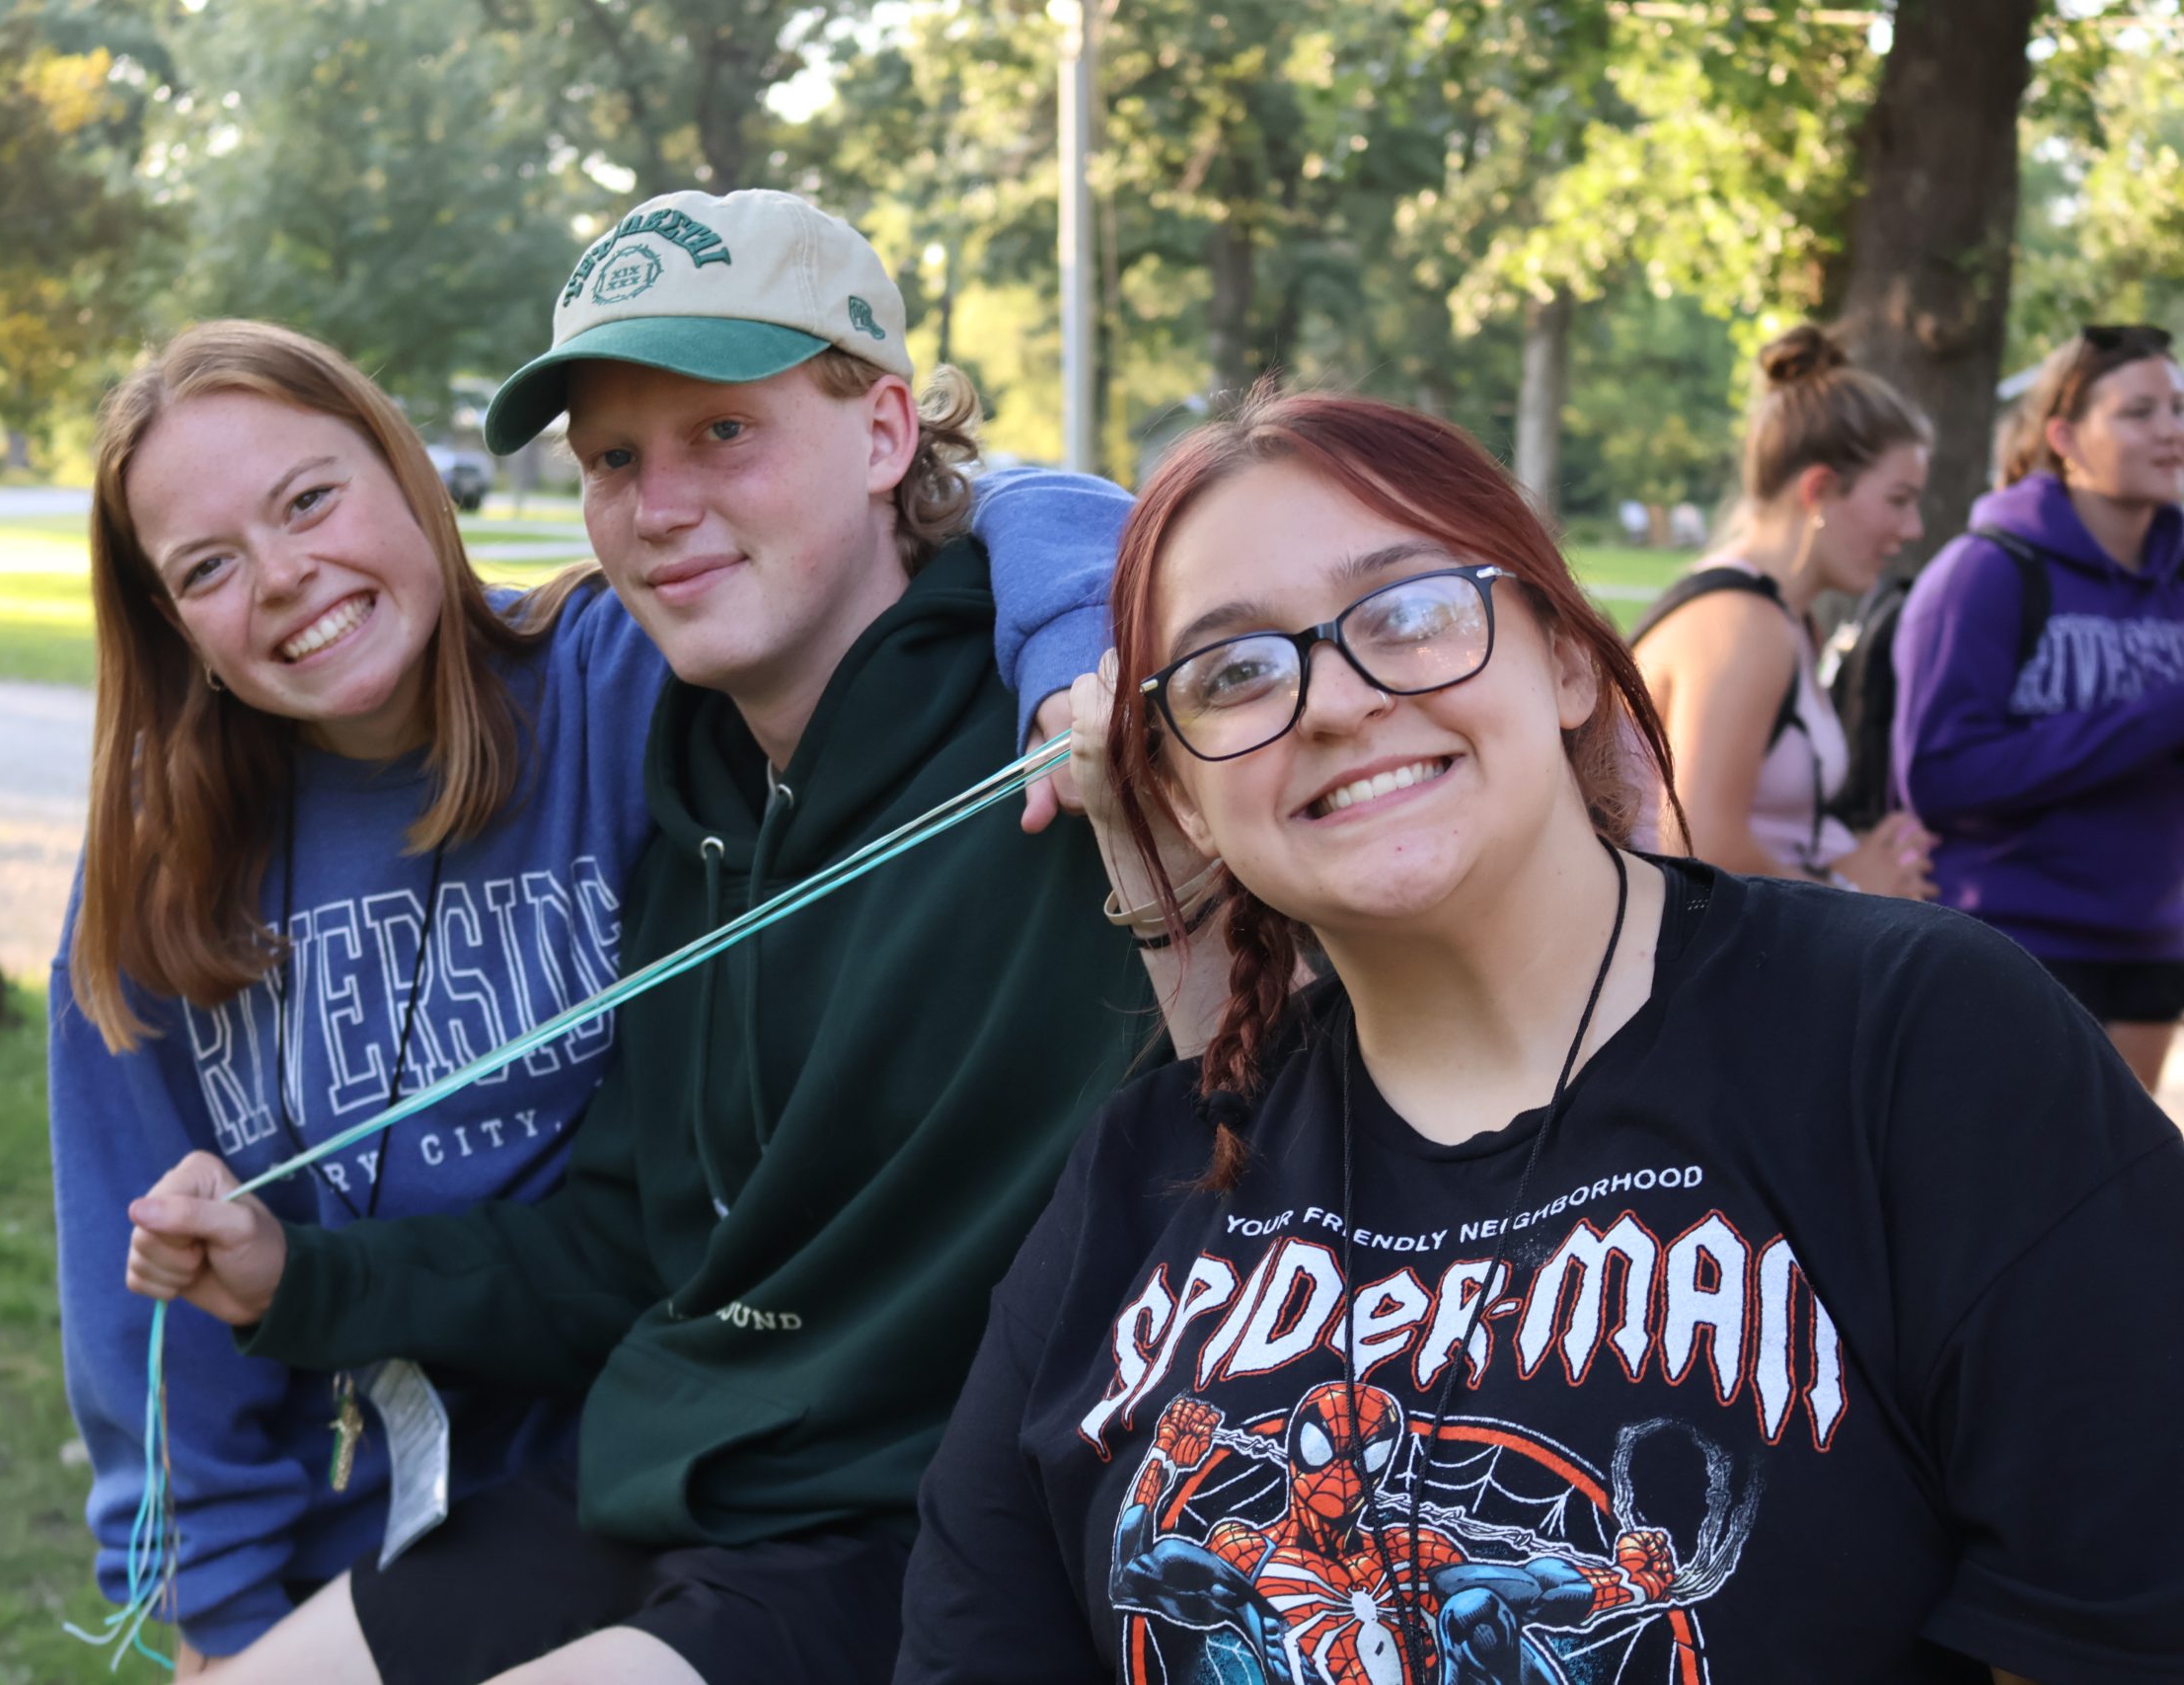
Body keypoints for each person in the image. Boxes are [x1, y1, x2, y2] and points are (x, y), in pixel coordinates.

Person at [895, 389, 2184, 1685]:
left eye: (1407, 611)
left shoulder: (1913, 1042)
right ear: (1182, 794)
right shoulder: (1145, 1177)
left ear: (1568, 660)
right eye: (1235, 672)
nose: (1333, 700)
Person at [117, 188, 1226, 1685]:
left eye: (724, 431)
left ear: (884, 434)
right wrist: (292, 1277)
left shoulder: (1068, 730)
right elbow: (629, 1246)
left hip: (914, 1529)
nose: (659, 505)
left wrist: (1105, 657)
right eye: (615, 459)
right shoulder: (685, 785)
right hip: (661, 1476)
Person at [1893, 323, 2184, 1093]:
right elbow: (1940, 776)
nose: (2171, 430)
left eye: (2178, 409)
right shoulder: (1986, 572)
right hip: (2013, 938)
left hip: (2153, 943)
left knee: (2122, 1166)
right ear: (2065, 437)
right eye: (2139, 412)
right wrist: (2158, 717)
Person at [1630, 326, 1934, 896]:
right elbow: (1699, 846)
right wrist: (1850, 890)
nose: (1912, 528)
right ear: (1818, 490)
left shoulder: (1786, 621)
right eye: (1898, 500)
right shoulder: (1741, 624)